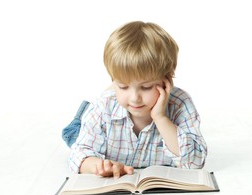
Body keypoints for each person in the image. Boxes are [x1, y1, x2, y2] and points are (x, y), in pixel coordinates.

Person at [63, 21, 207, 178]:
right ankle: (88, 108)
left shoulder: (180, 103)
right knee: (72, 134)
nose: (134, 98)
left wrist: (160, 118)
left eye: (146, 87)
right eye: (123, 86)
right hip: (93, 118)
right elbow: (78, 155)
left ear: (167, 81)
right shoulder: (104, 106)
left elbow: (195, 163)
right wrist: (99, 166)